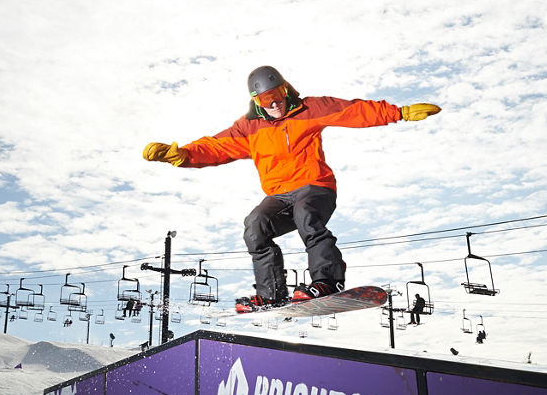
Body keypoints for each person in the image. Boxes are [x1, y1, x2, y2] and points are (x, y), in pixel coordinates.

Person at [144, 65, 440, 312]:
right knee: (255, 225)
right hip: (279, 196)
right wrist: (181, 155)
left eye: (277, 95)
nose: (274, 104)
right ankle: (272, 294)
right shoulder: (249, 127)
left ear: (285, 90)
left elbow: (353, 111)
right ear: (256, 102)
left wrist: (398, 112)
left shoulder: (310, 109)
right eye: (266, 99)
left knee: (306, 215)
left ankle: (328, 280)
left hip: (315, 187)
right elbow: (216, 146)